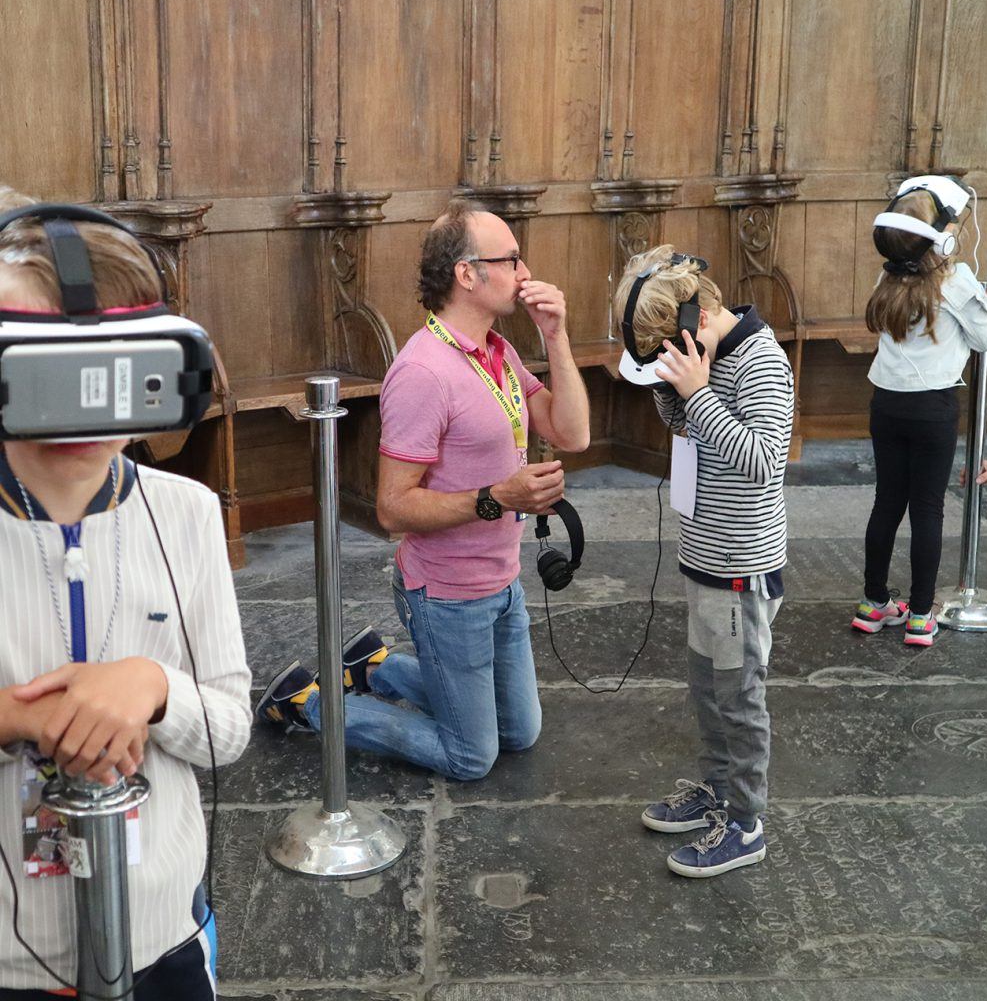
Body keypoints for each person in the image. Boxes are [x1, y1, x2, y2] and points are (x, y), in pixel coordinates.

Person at [0, 189, 252, 998]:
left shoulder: (186, 512)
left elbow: (228, 729)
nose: (78, 408)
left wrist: (152, 687)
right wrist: (18, 716)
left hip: (160, 930)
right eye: (40, 373)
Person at [259, 201, 590, 780]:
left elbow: (573, 432)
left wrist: (557, 336)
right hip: (446, 595)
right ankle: (307, 701)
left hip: (502, 579)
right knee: (471, 756)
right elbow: (392, 509)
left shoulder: (498, 351)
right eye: (510, 258)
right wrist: (499, 497)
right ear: (468, 274)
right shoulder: (422, 374)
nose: (524, 270)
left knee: (520, 732)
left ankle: (375, 664)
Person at [613, 246, 794, 878]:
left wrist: (698, 392)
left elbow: (763, 460)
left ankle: (745, 824)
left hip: (742, 565)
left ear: (698, 315)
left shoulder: (762, 362)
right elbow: (687, 430)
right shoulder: (704, 358)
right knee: (708, 689)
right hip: (704, 557)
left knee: (739, 696)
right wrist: (676, 391)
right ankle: (717, 793)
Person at [852, 175, 987, 646]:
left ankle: (873, 604)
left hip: (886, 405)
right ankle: (920, 615)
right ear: (945, 239)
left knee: (886, 502)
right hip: (933, 410)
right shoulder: (956, 280)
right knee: (928, 509)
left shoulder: (887, 277)